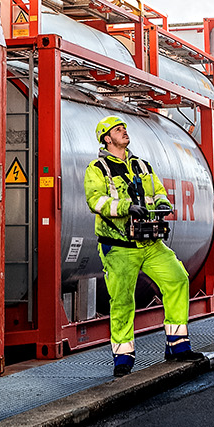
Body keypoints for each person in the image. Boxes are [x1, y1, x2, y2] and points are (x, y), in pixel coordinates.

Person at [84, 115, 204, 375]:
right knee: (122, 300)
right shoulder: (97, 169)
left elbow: (158, 189)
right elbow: (96, 201)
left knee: (177, 278)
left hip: (150, 243)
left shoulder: (141, 165)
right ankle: (123, 358)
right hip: (118, 246)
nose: (124, 132)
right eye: (118, 129)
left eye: (124, 128)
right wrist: (128, 207)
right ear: (107, 138)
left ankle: (177, 345)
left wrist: (162, 202)